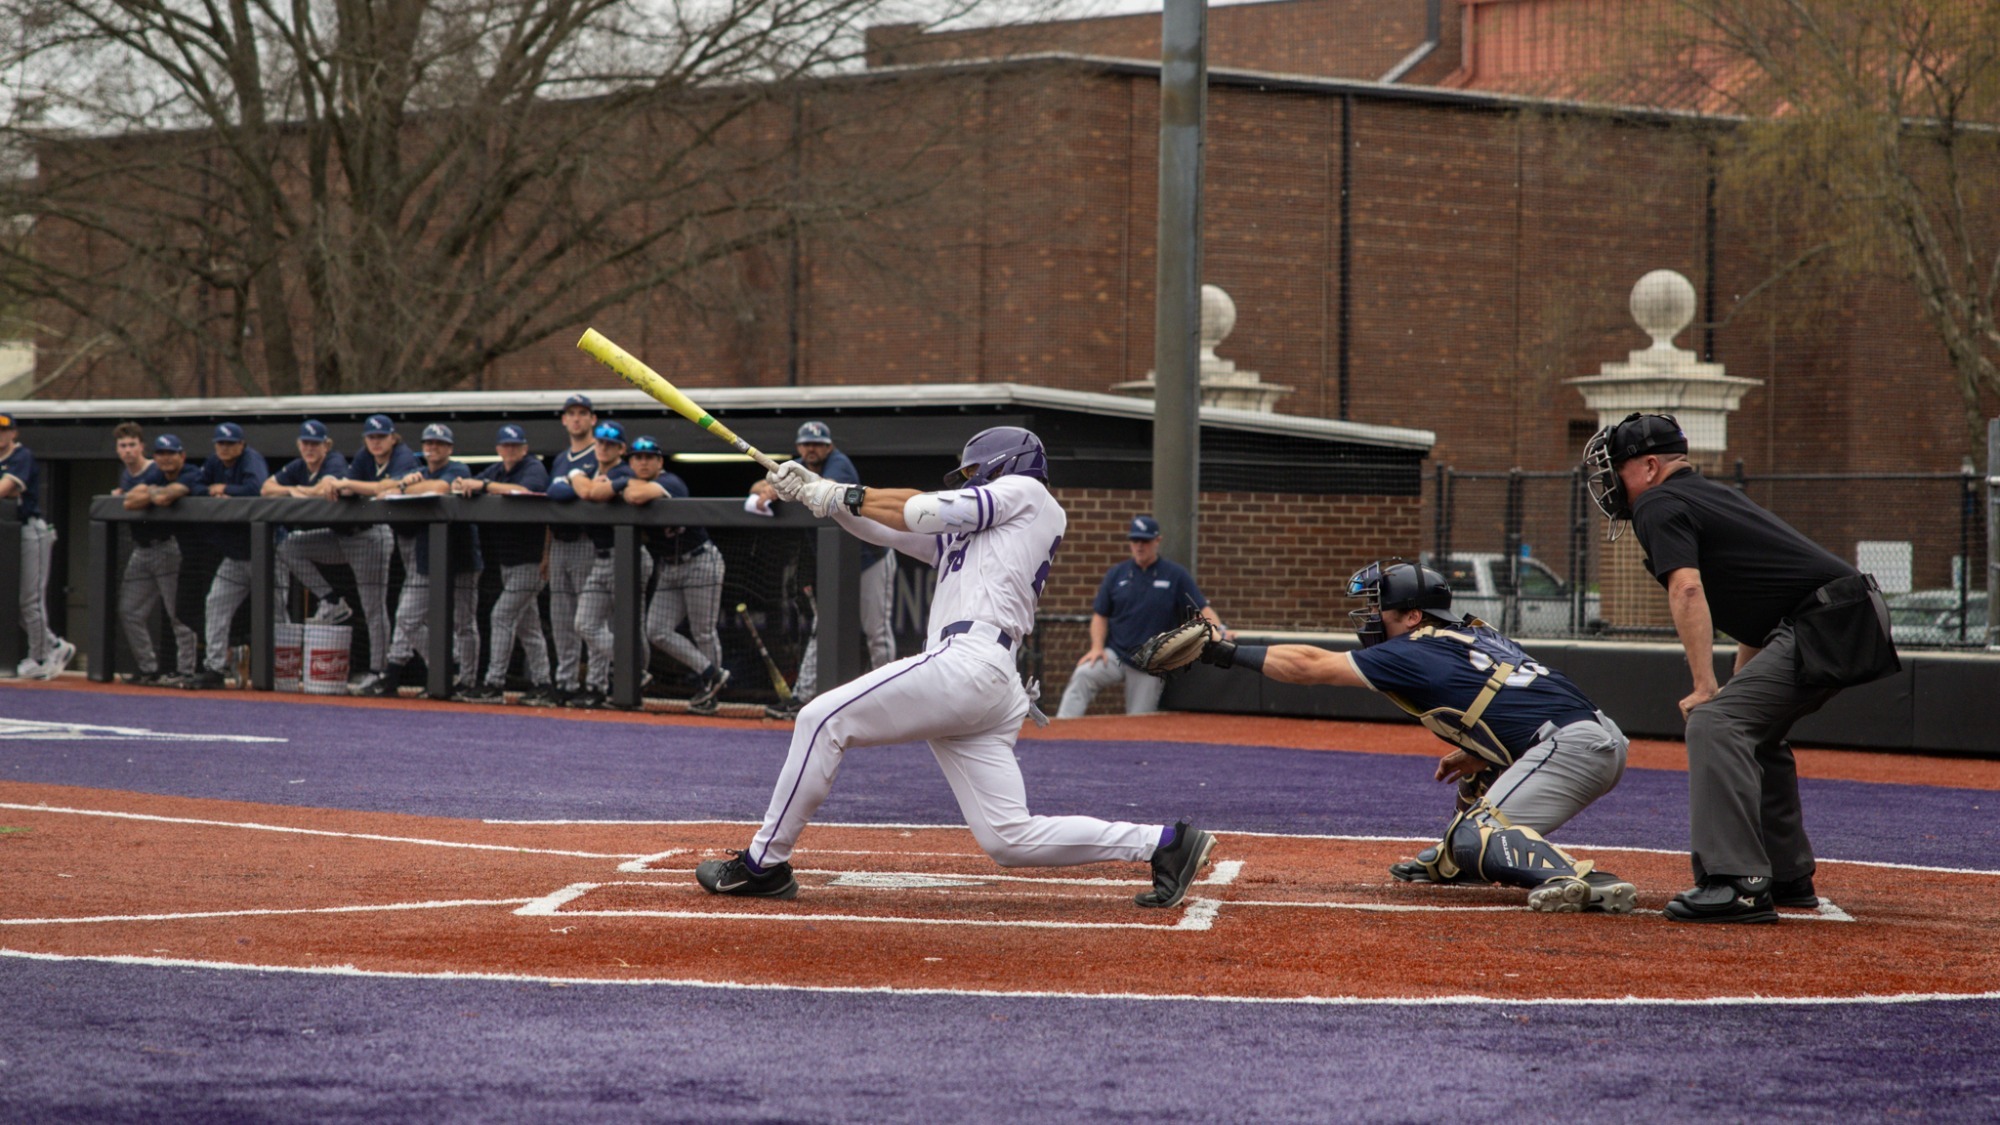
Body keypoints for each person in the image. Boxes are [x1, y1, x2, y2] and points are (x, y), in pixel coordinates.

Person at [695, 425, 1216, 908]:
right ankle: (1165, 844)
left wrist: (843, 493)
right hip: (984, 680)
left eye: (972, 473)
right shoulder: (980, 532)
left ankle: (764, 864)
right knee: (1009, 838)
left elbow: (922, 510)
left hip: (970, 662)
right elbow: (887, 528)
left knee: (820, 719)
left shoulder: (1029, 495)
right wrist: (815, 490)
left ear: (1002, 464)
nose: (967, 481)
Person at [1169, 559, 1637, 914]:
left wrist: (1224, 651)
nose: (1373, 619)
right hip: (1591, 736)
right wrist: (1486, 750)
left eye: (1381, 610)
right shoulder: (1475, 632)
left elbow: (1310, 666)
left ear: (1414, 616)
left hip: (1571, 747)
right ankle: (1455, 861)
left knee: (1479, 832)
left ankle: (1577, 878)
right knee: (1471, 777)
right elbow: (1520, 697)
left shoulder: (1416, 648)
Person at [1583, 412, 1898, 923]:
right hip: (1843, 613)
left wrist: (1707, 687)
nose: (1611, 482)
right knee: (1751, 730)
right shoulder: (1704, 494)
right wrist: (1730, 689)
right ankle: (1785, 875)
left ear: (1647, 466)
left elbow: (1687, 589)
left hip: (1826, 620)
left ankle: (1737, 883)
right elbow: (1759, 615)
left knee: (1715, 721)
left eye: (1616, 469)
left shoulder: (1659, 503)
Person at [749, 421, 896, 719]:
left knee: (875, 631)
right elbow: (757, 486)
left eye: (817, 444)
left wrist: (780, 490)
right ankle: (802, 696)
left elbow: (823, 488)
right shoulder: (798, 465)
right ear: (799, 446)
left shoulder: (840, 464)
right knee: (822, 626)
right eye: (806, 444)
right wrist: (769, 487)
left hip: (869, 558)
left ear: (829, 446)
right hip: (834, 561)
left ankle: (890, 696)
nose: (810, 449)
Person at [1057, 514, 1228, 718]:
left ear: (1157, 541)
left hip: (1151, 660)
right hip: (1115, 654)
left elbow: (1202, 608)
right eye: (1135, 540)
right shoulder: (1117, 574)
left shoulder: (1175, 575)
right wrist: (1096, 647)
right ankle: (1062, 729)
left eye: (1145, 541)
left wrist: (1219, 629)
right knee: (1083, 674)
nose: (1139, 546)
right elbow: (1100, 615)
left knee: (1139, 718)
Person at [358, 424, 482, 698]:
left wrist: (405, 487)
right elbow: (384, 491)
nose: (433, 447)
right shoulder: (417, 472)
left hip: (460, 557)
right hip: (427, 557)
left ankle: (468, 681)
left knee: (463, 623)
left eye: (439, 443)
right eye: (429, 443)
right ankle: (444, 667)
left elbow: (439, 486)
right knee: (407, 619)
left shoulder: (458, 469)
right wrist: (404, 485)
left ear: (449, 448)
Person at [624, 435, 729, 713]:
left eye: (649, 457)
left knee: (702, 631)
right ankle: (710, 672)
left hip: (699, 560)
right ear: (631, 461)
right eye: (638, 457)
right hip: (669, 567)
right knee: (656, 630)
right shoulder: (633, 481)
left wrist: (617, 481)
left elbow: (636, 495)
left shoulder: (671, 481)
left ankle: (711, 692)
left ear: (659, 462)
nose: (643, 462)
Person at [454, 424, 554, 705]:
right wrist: (466, 484)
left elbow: (524, 490)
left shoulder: (532, 466)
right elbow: (467, 482)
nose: (511, 450)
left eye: (516, 446)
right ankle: (544, 683)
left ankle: (494, 684)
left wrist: (483, 486)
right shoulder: (498, 470)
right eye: (506, 446)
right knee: (528, 628)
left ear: (524, 448)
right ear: (499, 449)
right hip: (508, 562)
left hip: (533, 562)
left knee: (501, 616)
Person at [320, 414, 420, 693]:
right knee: (406, 614)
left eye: (381, 437)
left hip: (419, 538)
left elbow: (384, 487)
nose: (376, 442)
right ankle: (328, 599)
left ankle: (384, 669)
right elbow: (352, 486)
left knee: (410, 612)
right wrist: (340, 483)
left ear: (393, 437)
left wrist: (345, 484)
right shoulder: (366, 456)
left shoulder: (402, 455)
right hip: (398, 536)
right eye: (371, 437)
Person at [546, 419, 631, 709]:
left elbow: (590, 493)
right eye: (601, 442)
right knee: (586, 623)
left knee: (628, 624)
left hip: (628, 557)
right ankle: (630, 669)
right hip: (601, 556)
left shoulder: (624, 471)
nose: (604, 447)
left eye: (610, 444)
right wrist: (579, 479)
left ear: (621, 448)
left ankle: (605, 681)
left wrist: (575, 478)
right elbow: (556, 492)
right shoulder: (591, 470)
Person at [182, 423, 271, 689]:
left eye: (230, 444)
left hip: (266, 554)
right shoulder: (213, 462)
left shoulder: (251, 459)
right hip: (235, 557)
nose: (225, 448)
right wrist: (212, 489)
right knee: (215, 604)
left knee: (276, 615)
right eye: (221, 443)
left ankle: (280, 671)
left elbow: (257, 488)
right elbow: (196, 486)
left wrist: (225, 489)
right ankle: (215, 667)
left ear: (242, 444)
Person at [117, 434, 201, 685]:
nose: (166, 458)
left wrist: (153, 494)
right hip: (142, 550)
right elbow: (130, 502)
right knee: (129, 611)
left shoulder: (191, 472)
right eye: (161, 454)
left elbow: (165, 498)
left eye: (171, 453)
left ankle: (186, 670)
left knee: (178, 614)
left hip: (170, 549)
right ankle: (148, 668)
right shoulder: (155, 474)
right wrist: (154, 492)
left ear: (181, 455)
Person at [0, 415, 74, 679]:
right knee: (13, 600)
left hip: (31, 531)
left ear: (14, 433)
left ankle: (40, 656)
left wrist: (7, 489)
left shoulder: (22, 456)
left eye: (4, 430)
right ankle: (54, 645)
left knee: (29, 599)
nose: (0, 434)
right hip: (7, 534)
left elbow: (5, 488)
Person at [268, 420, 353, 625]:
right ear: (299, 444)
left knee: (373, 604)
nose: (309, 448)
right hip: (338, 539)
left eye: (315, 444)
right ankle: (330, 600)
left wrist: (301, 490)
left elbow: (326, 487)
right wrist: (289, 490)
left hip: (365, 538)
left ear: (326, 445)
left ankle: (391, 656)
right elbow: (266, 488)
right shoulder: (298, 466)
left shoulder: (334, 460)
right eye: (305, 443)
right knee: (288, 547)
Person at [545, 394, 600, 706]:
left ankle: (595, 684)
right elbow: (553, 505)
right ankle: (565, 682)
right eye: (571, 413)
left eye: (583, 413)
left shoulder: (600, 452)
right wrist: (546, 553)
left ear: (592, 419)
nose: (577, 418)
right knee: (562, 620)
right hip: (560, 546)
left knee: (590, 620)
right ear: (564, 420)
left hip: (587, 543)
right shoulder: (561, 458)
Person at [112, 422, 151, 495]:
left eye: (132, 445)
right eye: (123, 446)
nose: (127, 450)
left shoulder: (157, 469)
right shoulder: (126, 476)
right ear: (117, 449)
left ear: (141, 446)